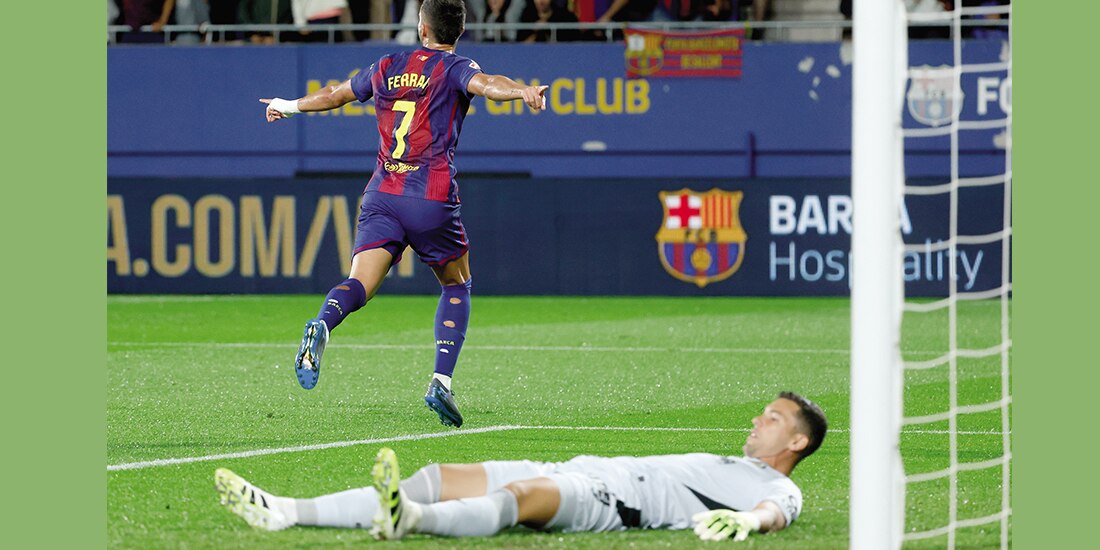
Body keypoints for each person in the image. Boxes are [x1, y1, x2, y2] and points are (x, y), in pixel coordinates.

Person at [259, 0, 549, 428]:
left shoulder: (388, 63)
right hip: (430, 198)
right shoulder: (455, 67)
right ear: (459, 30)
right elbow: (488, 84)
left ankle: (322, 324)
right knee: (457, 284)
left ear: (422, 27)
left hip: (383, 193)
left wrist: (288, 105)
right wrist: (522, 91)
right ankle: (440, 382)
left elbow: (336, 95)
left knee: (360, 283)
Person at [215, 392, 828, 542]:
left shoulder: (773, 486)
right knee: (440, 471)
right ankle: (286, 512)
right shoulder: (732, 458)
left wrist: (749, 525)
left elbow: (778, 512)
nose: (757, 420)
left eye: (771, 419)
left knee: (523, 494)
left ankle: (415, 520)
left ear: (796, 443)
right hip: (581, 466)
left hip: (609, 503)